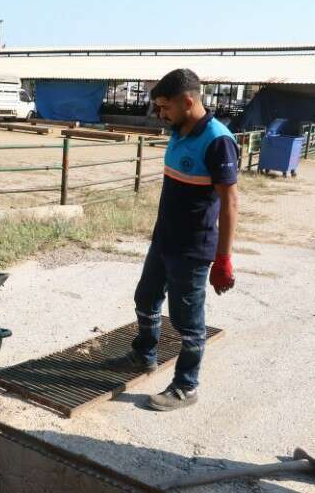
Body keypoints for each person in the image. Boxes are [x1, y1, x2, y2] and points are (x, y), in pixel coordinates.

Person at [107, 68, 239, 411]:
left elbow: (230, 203)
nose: (160, 114)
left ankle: (186, 386)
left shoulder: (217, 139)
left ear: (187, 101)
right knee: (146, 298)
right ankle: (144, 354)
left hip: (192, 249)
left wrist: (223, 259)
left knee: (187, 322)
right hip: (164, 239)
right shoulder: (179, 130)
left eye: (165, 107)